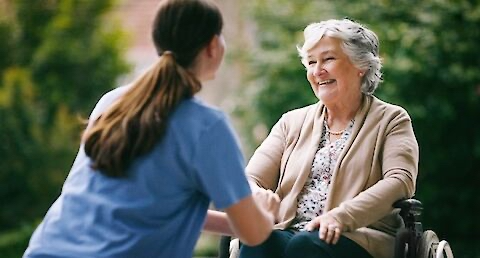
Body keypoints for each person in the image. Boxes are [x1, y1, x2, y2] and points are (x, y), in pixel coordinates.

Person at [23, 0, 279, 257]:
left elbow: (153, 208)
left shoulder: (113, 102)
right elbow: (254, 234)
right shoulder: (208, 127)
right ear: (213, 46)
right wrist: (265, 214)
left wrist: (234, 224)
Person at [235, 18, 419, 258]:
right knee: (258, 241)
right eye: (311, 62)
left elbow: (400, 181)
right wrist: (257, 194)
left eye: (328, 59)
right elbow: (250, 178)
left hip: (358, 236)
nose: (317, 71)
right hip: (291, 231)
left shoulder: (391, 120)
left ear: (360, 65)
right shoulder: (291, 122)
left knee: (305, 246)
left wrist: (341, 217)